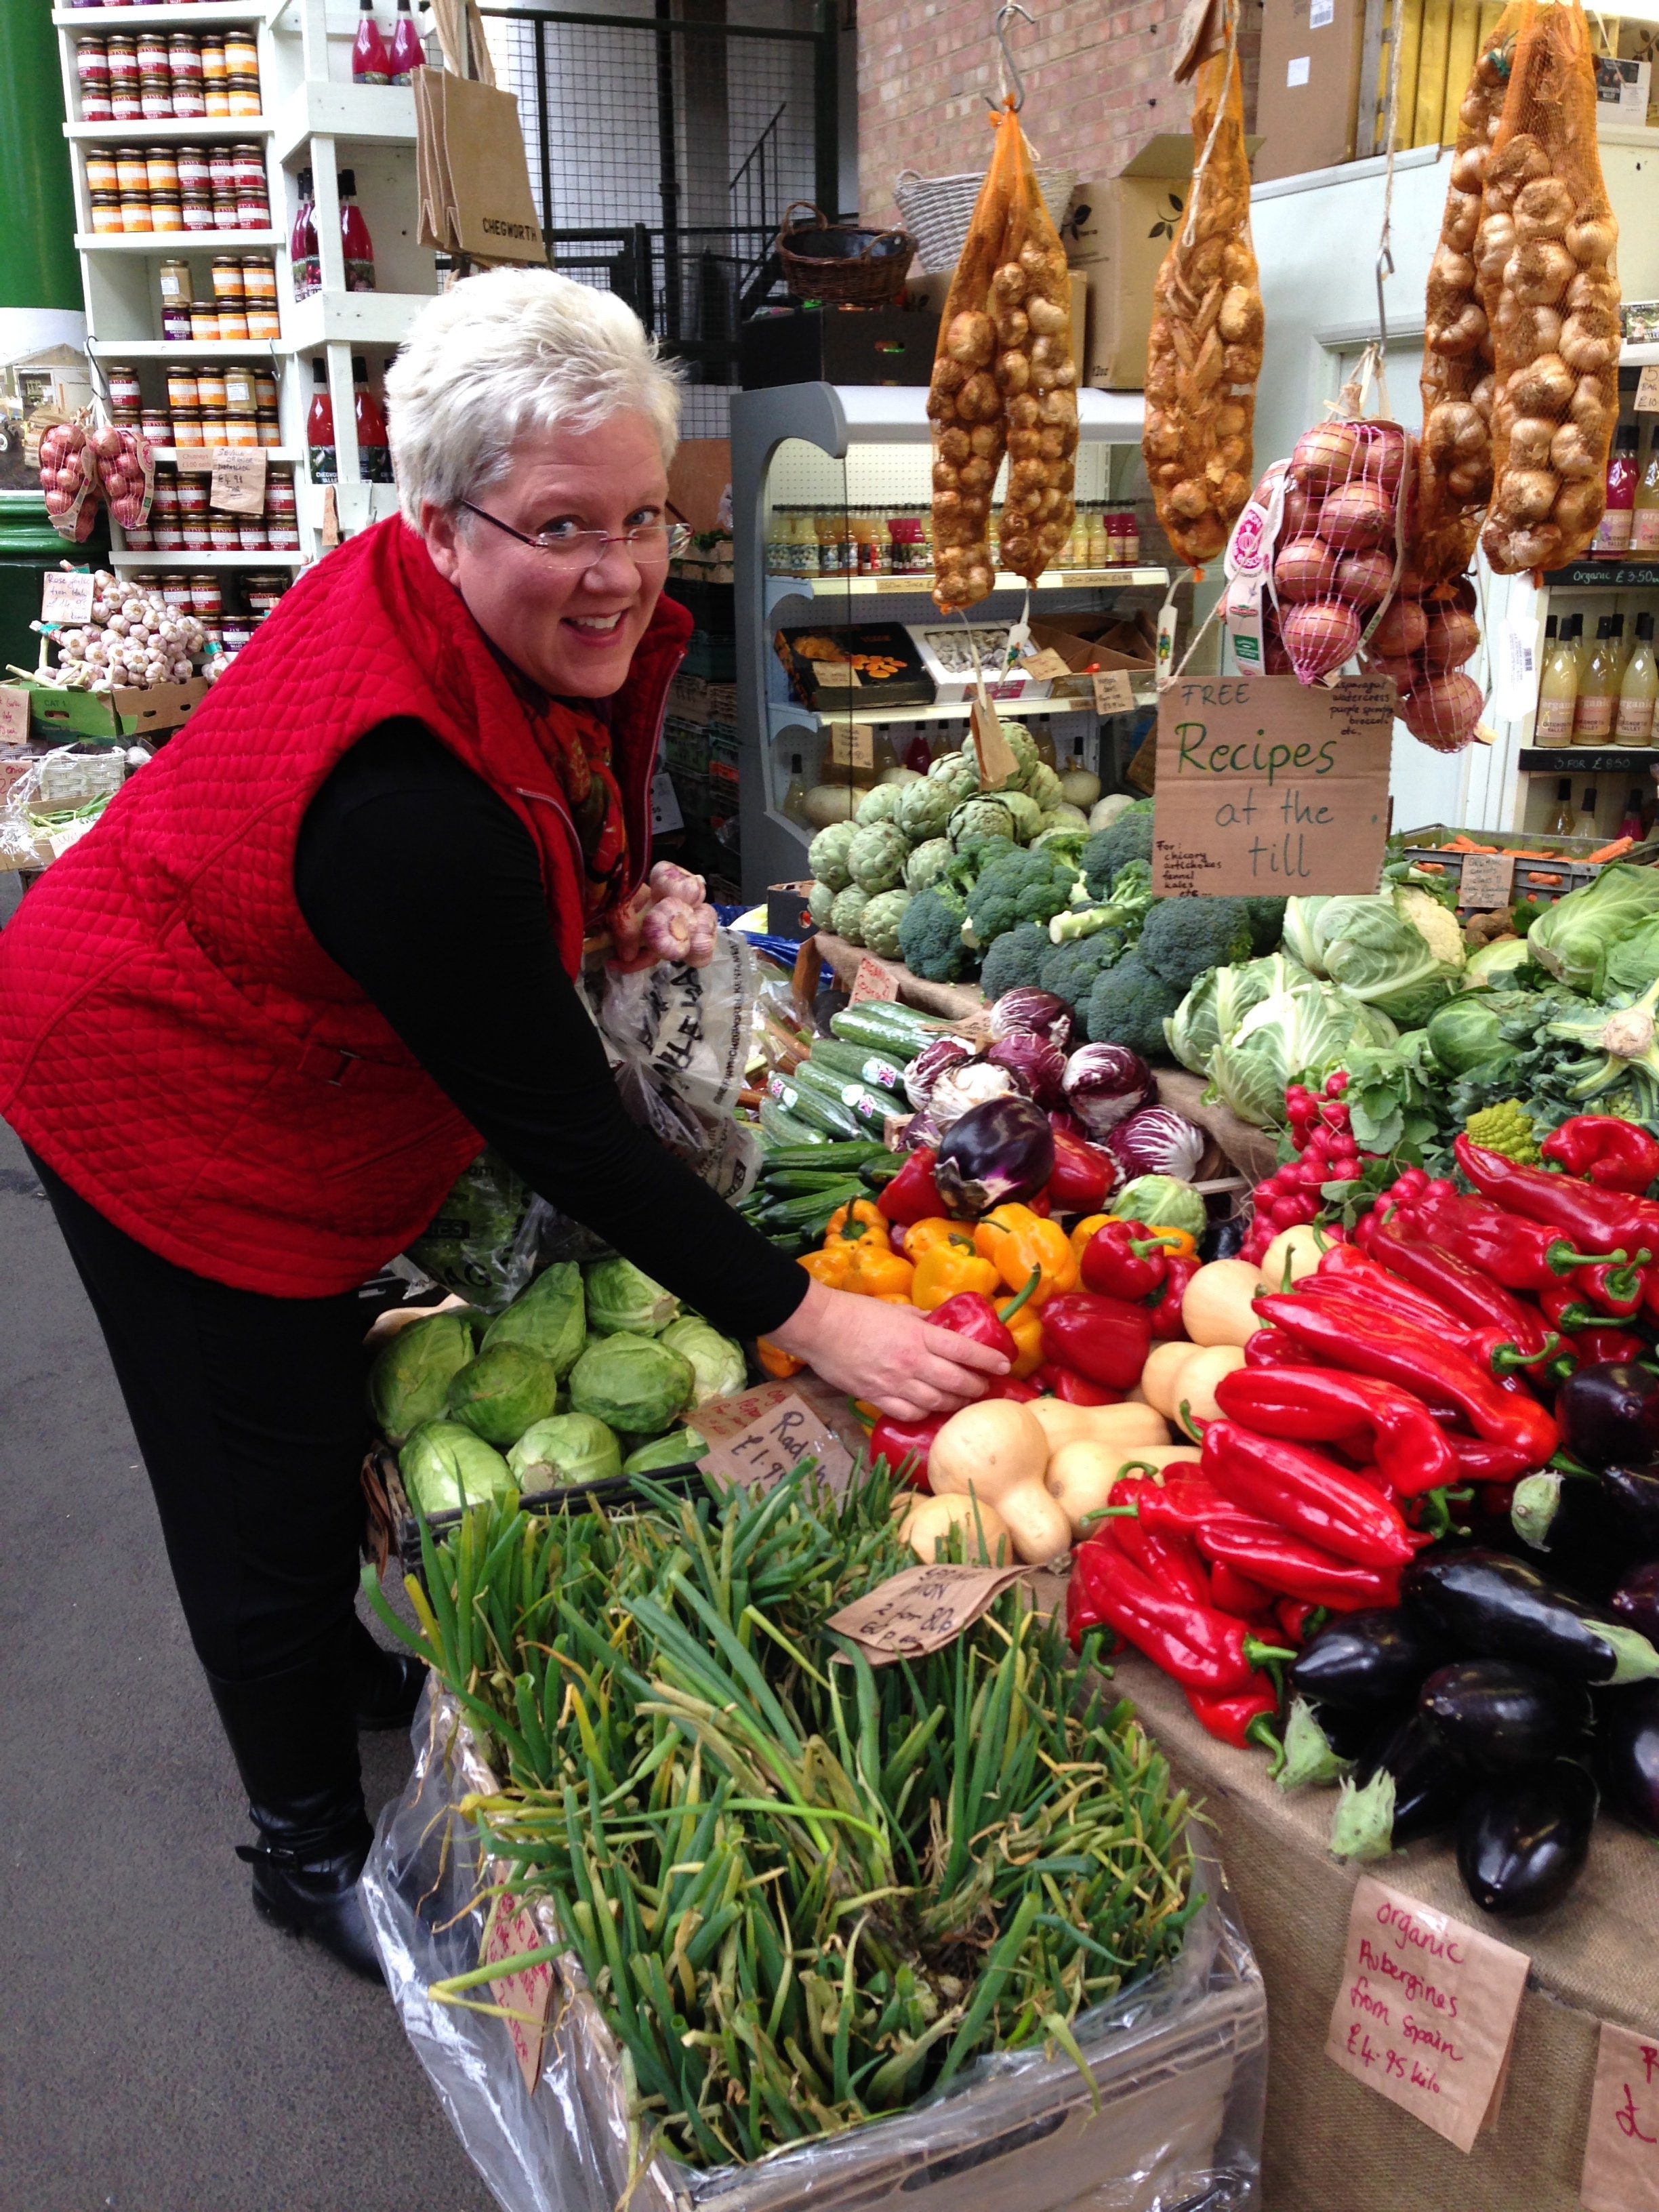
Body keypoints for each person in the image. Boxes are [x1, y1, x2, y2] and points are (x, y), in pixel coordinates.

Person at [0, 270, 1005, 1983]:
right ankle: (300, 1843)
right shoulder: (401, 800)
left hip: (273, 1030)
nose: (617, 570)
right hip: (154, 1082)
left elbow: (537, 840)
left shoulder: (453, 614)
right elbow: (575, 1142)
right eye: (561, 525)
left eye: (639, 516)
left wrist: (587, 907)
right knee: (252, 1460)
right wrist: (811, 1315)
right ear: (444, 521)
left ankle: (328, 1655)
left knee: (312, 1421)